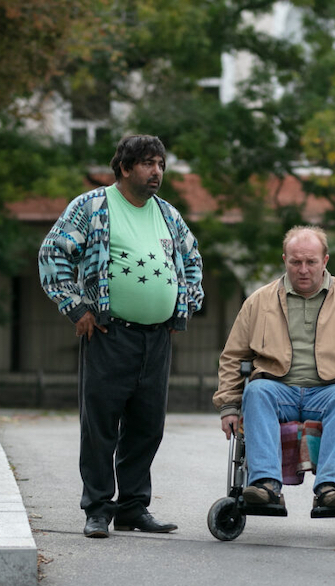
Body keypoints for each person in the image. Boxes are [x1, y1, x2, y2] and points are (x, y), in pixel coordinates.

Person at [38, 135, 204, 539]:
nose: (156, 172)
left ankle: (133, 507)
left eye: (161, 164)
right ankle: (97, 508)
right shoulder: (92, 206)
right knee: (101, 425)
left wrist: (183, 305)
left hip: (157, 337)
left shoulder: (166, 213)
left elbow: (192, 259)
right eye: (148, 163)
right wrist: (76, 308)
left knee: (148, 426)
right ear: (125, 167)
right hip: (110, 333)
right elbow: (52, 254)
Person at [213, 225, 335, 509]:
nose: (303, 269)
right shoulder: (259, 301)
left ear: (325, 261)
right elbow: (233, 356)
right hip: (276, 389)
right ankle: (265, 484)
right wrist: (228, 406)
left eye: (311, 261)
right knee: (256, 391)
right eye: (296, 261)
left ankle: (331, 487)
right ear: (284, 260)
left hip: (330, 391)